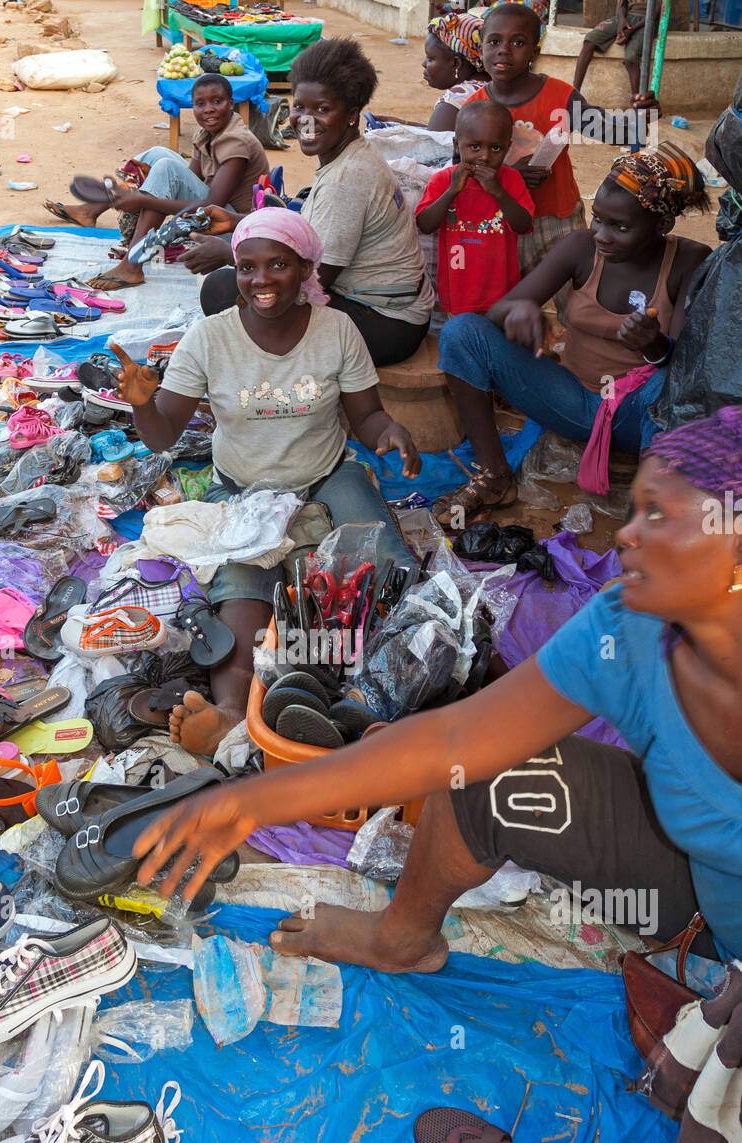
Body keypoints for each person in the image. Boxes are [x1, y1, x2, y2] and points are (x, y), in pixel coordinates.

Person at [131, 407, 742, 977]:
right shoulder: (628, 625)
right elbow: (454, 740)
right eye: (634, 510)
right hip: (695, 889)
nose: (626, 535)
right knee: (483, 769)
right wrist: (252, 802)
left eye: (658, 514)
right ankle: (400, 939)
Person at [110, 209, 420, 757]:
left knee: (388, 567)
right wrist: (141, 406)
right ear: (236, 271)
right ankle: (231, 710)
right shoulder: (209, 339)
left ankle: (385, 693)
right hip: (241, 487)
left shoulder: (337, 330)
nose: (262, 280)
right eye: (248, 267)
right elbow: (162, 436)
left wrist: (389, 431)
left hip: (326, 475)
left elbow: (367, 416)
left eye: (278, 264)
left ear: (305, 267)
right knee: (241, 587)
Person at [432, 142, 710, 521]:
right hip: (571, 401)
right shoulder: (581, 247)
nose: (601, 234)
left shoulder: (689, 261)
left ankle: (647, 515)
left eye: (620, 227)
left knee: (664, 385)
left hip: (637, 416)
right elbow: (498, 312)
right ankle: (495, 475)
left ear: (662, 226)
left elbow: (683, 376)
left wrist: (654, 344)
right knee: (461, 333)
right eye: (597, 218)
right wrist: (522, 311)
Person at [184, 39, 435, 368]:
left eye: (323, 109)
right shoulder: (346, 154)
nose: (306, 120)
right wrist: (237, 224)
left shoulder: (346, 180)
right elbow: (309, 232)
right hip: (387, 308)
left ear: (351, 115)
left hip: (387, 324)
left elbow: (310, 279)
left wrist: (230, 254)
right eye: (300, 106)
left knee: (221, 290)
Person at [468, 2, 659, 289]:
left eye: (517, 42)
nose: (504, 50)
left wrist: (642, 117)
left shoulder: (560, 96)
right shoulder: (472, 109)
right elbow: (464, 171)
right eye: (494, 41)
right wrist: (511, 177)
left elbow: (614, 132)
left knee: (574, 295)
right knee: (506, 298)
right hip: (499, 220)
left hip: (557, 220)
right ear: (481, 49)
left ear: (534, 53)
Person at [43, 75, 269, 291]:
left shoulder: (236, 141)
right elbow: (188, 179)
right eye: (200, 103)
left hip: (234, 228)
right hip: (215, 212)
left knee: (166, 169)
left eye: (217, 101)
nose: (208, 109)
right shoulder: (206, 133)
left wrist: (144, 199)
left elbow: (212, 205)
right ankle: (90, 211)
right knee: (157, 154)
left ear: (231, 104)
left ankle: (132, 266)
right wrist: (152, 190)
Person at [415, 100, 533, 316]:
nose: (485, 156)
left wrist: (498, 192)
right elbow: (425, 224)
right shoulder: (443, 181)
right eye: (475, 147)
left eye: (496, 148)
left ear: (508, 147)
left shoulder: (511, 180)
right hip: (459, 291)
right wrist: (451, 191)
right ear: (456, 145)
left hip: (502, 292)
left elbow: (524, 225)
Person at [573, 0, 663, 99]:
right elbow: (623, 5)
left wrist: (631, 30)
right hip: (627, 18)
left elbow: (656, 11)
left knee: (631, 58)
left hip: (646, 22)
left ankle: (637, 102)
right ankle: (575, 92)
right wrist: (621, 21)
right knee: (590, 40)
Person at [423, 13, 488, 131]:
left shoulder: (453, 102)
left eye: (430, 59)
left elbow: (433, 144)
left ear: (455, 63)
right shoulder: (494, 86)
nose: (423, 64)